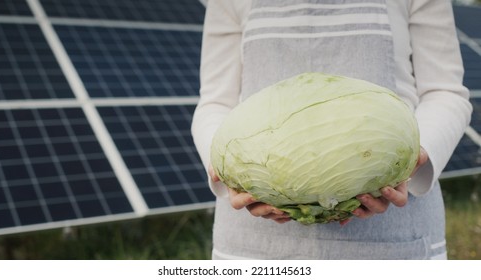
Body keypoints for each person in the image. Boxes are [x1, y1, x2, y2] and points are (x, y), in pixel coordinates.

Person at [191, 0, 472, 259]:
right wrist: (226, 177)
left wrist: (415, 161)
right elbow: (215, 101)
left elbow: (445, 91)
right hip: (253, 235)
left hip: (395, 222)